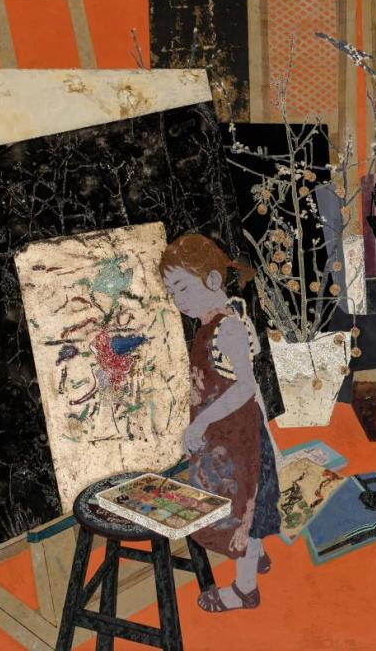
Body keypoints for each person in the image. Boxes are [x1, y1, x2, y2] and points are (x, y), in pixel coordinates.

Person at [159, 234, 281, 610]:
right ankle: (256, 555)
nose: (178, 300)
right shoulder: (210, 324)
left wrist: (200, 424)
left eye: (183, 287)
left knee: (242, 509)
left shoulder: (226, 327)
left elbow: (245, 386)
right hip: (226, 438)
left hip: (239, 440)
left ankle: (244, 590)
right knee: (246, 508)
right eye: (171, 293)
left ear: (212, 280)